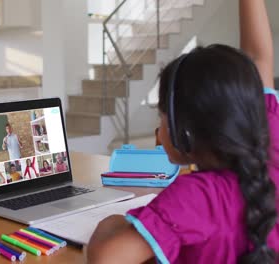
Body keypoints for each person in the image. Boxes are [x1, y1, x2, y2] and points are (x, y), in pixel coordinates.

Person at [87, 0, 279, 263]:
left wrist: (112, 221)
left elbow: (106, 258)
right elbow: (258, 57)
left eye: (161, 114)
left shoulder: (195, 197)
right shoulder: (270, 134)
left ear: (183, 131)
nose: (158, 128)